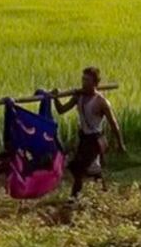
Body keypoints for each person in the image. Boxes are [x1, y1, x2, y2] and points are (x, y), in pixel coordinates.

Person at [52, 67, 126, 202]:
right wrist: (56, 98)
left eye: (87, 80)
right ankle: (103, 190)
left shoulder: (101, 102)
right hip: (83, 139)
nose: (84, 83)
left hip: (95, 140)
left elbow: (113, 124)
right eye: (83, 79)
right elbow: (61, 110)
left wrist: (120, 143)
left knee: (79, 168)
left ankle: (74, 198)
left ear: (95, 83)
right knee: (86, 168)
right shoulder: (78, 97)